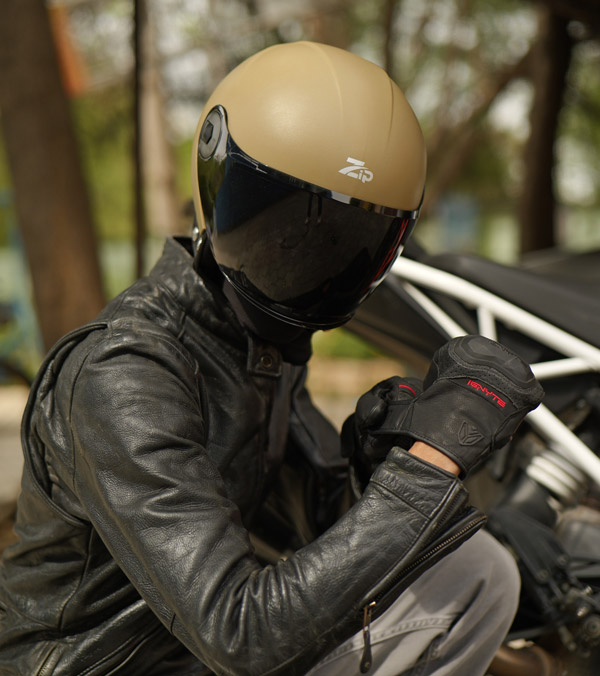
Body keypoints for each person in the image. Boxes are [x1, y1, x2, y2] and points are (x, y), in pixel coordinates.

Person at [0, 41, 543, 676]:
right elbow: (242, 636)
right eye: (280, 228)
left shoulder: (259, 349)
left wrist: (371, 467)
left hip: (193, 653)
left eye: (345, 243)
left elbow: (305, 532)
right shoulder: (123, 373)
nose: (305, 266)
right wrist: (427, 469)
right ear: (215, 189)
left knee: (475, 569)